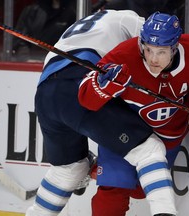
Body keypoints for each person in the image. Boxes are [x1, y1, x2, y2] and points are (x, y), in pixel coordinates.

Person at [78, 11, 189, 216]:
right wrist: (101, 85)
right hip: (124, 129)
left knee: (140, 190)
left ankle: (96, 167)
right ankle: (107, 172)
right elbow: (85, 98)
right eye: (148, 50)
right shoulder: (124, 54)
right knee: (114, 188)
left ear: (175, 48)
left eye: (161, 52)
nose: (153, 59)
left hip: (169, 131)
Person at [25, 9, 149, 216]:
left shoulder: (80, 25)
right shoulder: (128, 18)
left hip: (46, 92)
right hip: (80, 80)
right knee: (146, 148)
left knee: (68, 169)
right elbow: (155, 54)